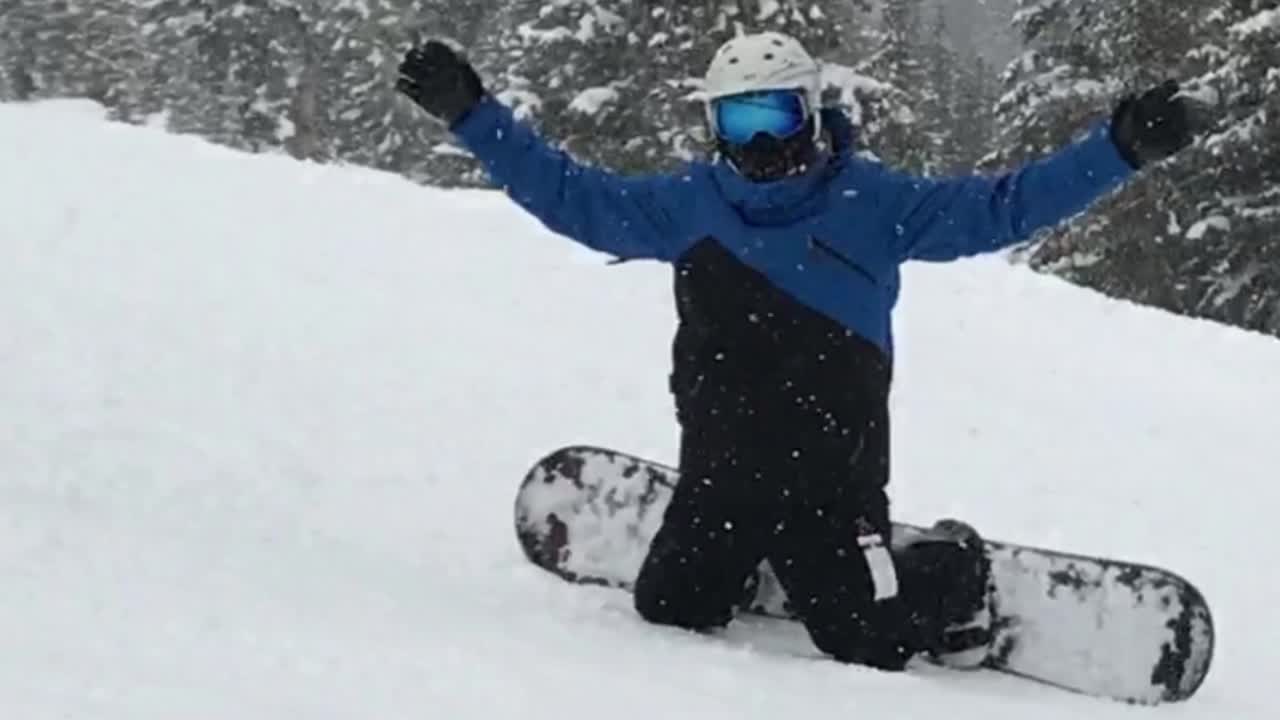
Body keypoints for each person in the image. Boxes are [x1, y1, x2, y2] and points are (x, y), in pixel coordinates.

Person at [395, 32, 1194, 671]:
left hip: (832, 487)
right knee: (670, 609)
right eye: (739, 122)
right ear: (715, 128)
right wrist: (473, 115)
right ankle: (743, 558)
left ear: (810, 111)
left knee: (865, 642)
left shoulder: (875, 204)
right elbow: (574, 197)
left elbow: (1003, 206)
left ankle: (951, 569)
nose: (760, 140)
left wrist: (1117, 150)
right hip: (722, 476)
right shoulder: (690, 204)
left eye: (774, 115)